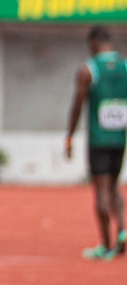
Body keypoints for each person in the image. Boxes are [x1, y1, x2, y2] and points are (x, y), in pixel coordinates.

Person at [66, 25, 127, 260]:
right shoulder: (124, 67)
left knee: (101, 190)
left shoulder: (88, 70)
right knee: (114, 187)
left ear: (93, 43)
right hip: (120, 138)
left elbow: (77, 105)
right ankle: (121, 232)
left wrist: (69, 135)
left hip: (99, 139)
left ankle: (106, 245)